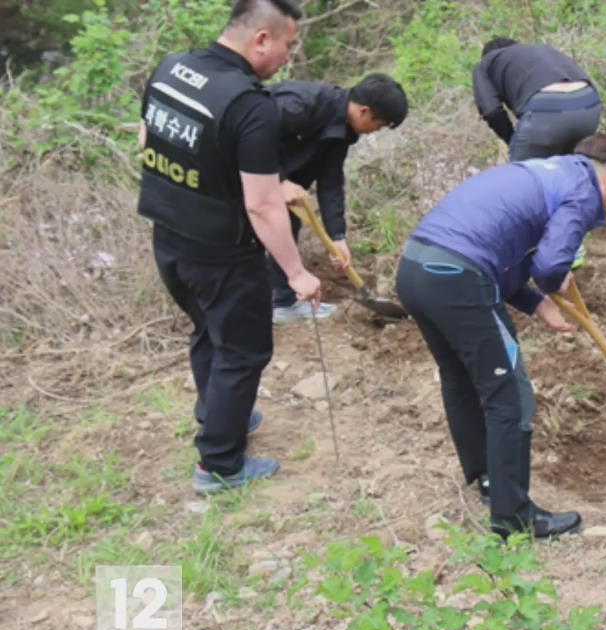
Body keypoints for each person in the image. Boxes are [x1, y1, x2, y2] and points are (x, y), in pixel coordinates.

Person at [395, 136, 606, 539]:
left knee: (461, 379)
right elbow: (548, 264)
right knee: (511, 393)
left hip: (418, 267)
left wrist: (539, 304)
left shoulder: (542, 172)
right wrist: (555, 279)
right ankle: (514, 518)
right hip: (456, 276)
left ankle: (488, 477)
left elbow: (503, 253)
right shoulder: (582, 189)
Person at [137, 0, 321, 496]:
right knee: (243, 352)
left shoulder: (172, 67)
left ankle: (217, 415)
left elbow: (148, 136)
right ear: (261, 38)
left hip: (170, 237)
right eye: (288, 44)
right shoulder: (249, 105)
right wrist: (297, 272)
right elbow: (262, 207)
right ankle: (219, 466)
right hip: (222, 252)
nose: (289, 55)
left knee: (209, 332)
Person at [267, 73, 409, 324]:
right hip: (236, 173)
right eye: (380, 125)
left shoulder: (342, 131)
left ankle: (284, 303)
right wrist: (278, 179)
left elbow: (330, 182)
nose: (374, 132)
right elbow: (249, 135)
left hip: (277, 180)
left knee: (287, 225)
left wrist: (337, 236)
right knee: (242, 238)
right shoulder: (301, 104)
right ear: (365, 111)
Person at [473, 37, 602, 162]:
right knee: (573, 171)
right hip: (589, 104)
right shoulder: (541, 50)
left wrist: (512, 140)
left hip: (547, 110)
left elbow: (491, 110)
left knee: (522, 177)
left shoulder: (486, 63)